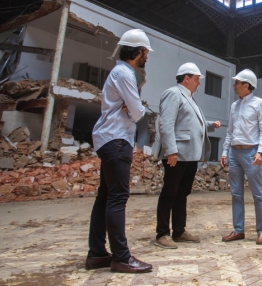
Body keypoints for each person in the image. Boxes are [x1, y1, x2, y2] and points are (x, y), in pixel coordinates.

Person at [86, 29, 154, 273]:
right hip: (117, 140)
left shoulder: (119, 72)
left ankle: (96, 254)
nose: (147, 56)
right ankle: (122, 257)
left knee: (105, 197)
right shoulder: (125, 74)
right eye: (146, 52)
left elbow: (132, 108)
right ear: (138, 52)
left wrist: (130, 107)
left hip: (108, 139)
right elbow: (137, 113)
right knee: (117, 198)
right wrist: (132, 108)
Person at [154, 63, 221, 249]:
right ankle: (162, 233)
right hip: (177, 154)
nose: (199, 83)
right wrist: (171, 151)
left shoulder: (189, 98)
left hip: (190, 155)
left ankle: (179, 230)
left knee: (182, 193)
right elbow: (166, 124)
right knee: (169, 192)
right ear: (186, 78)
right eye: (197, 79)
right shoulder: (173, 94)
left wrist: (209, 125)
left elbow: (191, 123)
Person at [220, 69, 262, 245]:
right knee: (236, 193)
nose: (234, 86)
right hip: (234, 152)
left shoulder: (259, 104)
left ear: (246, 85)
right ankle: (238, 230)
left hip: (251, 152)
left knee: (258, 193)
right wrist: (225, 151)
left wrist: (260, 152)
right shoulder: (235, 106)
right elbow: (230, 131)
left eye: (237, 83)